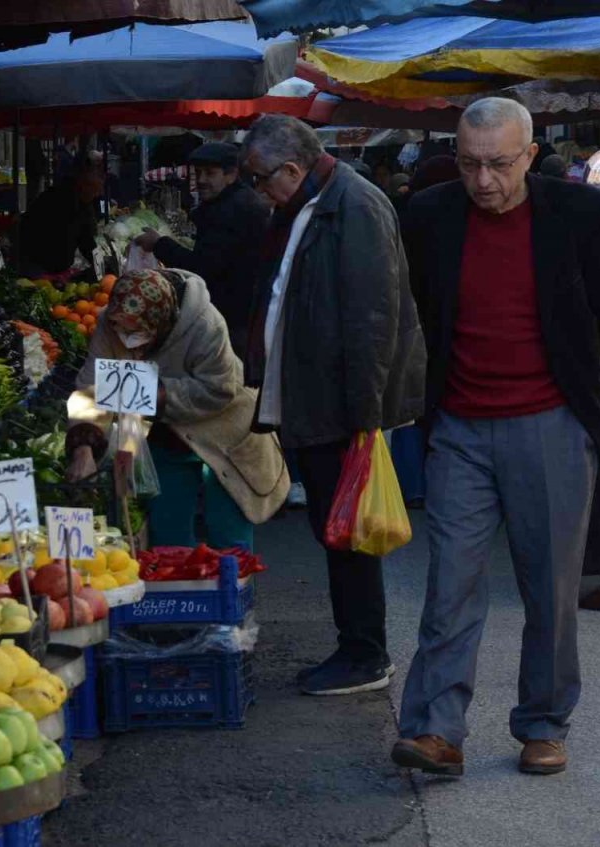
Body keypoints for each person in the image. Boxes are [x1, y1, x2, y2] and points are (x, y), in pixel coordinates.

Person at [394, 98, 600, 777]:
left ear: (532, 154)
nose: (483, 180)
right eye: (469, 163)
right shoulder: (428, 217)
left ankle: (543, 722)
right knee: (450, 581)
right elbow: (415, 313)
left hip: (549, 420)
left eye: (499, 164)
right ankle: (434, 728)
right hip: (459, 424)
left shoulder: (580, 216)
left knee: (549, 585)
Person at [241, 115, 426, 697]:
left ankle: (365, 654)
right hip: (315, 400)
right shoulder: (307, 204)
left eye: (261, 177)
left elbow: (373, 320)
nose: (258, 189)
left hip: (339, 409)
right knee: (335, 529)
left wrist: (364, 422)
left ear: (292, 169)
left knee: (347, 533)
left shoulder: (355, 205)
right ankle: (357, 648)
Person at [65, 269, 288, 549]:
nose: (126, 339)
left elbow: (217, 389)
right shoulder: (111, 323)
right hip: (167, 436)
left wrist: (151, 391)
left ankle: (233, 592)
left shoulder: (205, 325)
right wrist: (84, 444)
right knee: (168, 537)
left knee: (228, 537)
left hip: (225, 433)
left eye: (136, 332)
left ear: (162, 320)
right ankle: (181, 594)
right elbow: (92, 387)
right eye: (121, 330)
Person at [133, 142, 270, 358]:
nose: (202, 180)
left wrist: (160, 244)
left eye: (210, 173)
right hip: (241, 318)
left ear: (231, 175)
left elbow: (201, 267)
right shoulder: (235, 202)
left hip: (233, 322)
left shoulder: (231, 211)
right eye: (198, 173)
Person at [17, 153, 104, 277]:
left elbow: (87, 240)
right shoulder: (58, 199)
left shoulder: (83, 203)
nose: (96, 195)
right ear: (83, 186)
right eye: (95, 191)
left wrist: (100, 264)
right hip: (38, 265)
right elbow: (45, 236)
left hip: (56, 268)